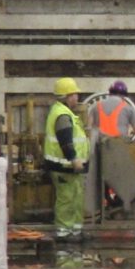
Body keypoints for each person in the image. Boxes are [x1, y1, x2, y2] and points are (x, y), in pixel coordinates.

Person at [44, 77, 89, 241]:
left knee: (75, 198)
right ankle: (64, 232)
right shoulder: (62, 115)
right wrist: (74, 159)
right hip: (63, 167)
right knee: (66, 199)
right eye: (74, 94)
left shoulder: (65, 113)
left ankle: (75, 231)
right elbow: (66, 141)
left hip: (69, 168)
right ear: (67, 96)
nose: (77, 98)